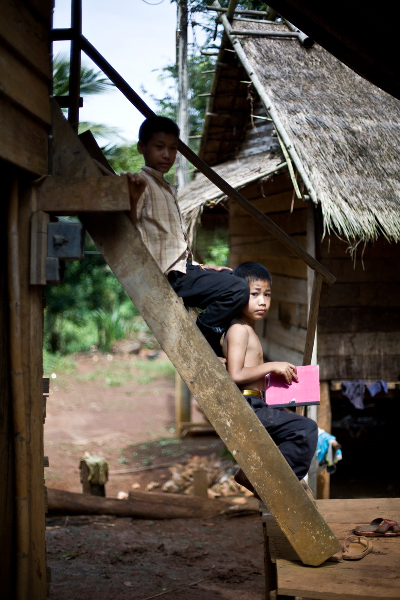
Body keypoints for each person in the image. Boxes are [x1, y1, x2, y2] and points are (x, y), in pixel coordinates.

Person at [124, 116, 249, 355]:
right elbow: (128, 235)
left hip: (183, 270)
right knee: (238, 289)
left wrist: (201, 268)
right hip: (167, 276)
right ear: (142, 148)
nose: (167, 155)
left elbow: (173, 244)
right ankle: (204, 336)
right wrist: (132, 197)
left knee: (233, 277)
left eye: (172, 149)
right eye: (159, 147)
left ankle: (217, 342)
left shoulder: (165, 187)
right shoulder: (139, 184)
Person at [222, 261, 318, 495]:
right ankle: (274, 482)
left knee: (297, 428)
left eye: (267, 294)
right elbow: (236, 374)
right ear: (238, 294)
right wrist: (272, 366)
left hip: (257, 402)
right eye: (254, 294)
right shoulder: (239, 330)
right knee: (305, 429)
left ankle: (256, 475)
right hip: (248, 405)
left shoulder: (245, 328)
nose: (262, 301)